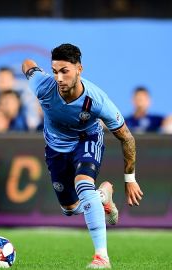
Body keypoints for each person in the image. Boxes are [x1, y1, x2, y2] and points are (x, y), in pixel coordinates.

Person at [22, 43, 143, 269]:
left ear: (80, 69)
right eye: (55, 71)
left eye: (64, 71)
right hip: (56, 149)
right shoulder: (43, 85)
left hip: (86, 140)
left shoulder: (96, 100)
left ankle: (102, 257)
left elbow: (127, 138)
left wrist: (130, 178)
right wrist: (33, 69)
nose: (58, 77)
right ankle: (102, 196)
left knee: (83, 185)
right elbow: (28, 64)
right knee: (69, 209)